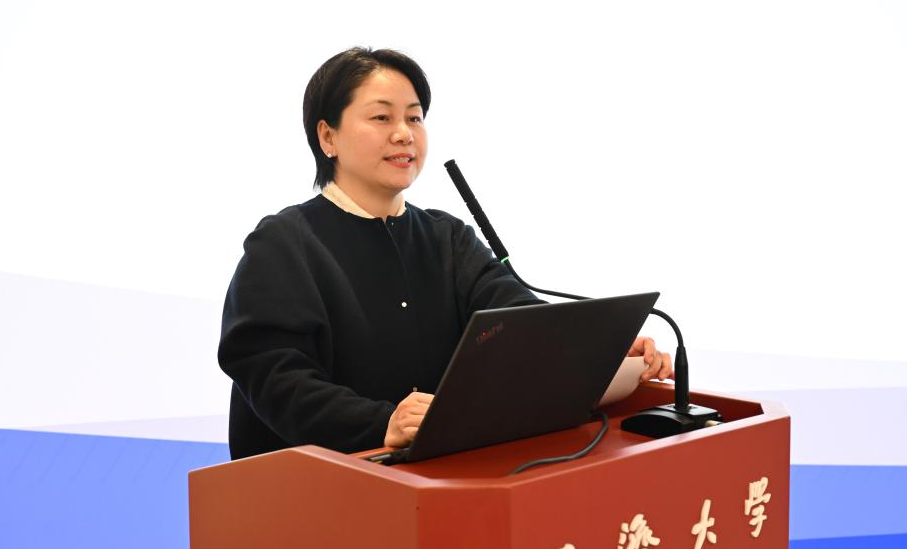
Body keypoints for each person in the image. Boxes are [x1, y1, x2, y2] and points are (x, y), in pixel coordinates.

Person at [218, 47, 672, 460]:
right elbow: (277, 379)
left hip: (440, 478)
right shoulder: (283, 244)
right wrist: (381, 423)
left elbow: (520, 321)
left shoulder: (446, 237)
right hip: (323, 490)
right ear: (327, 137)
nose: (404, 134)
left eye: (414, 118)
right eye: (382, 118)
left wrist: (600, 350)